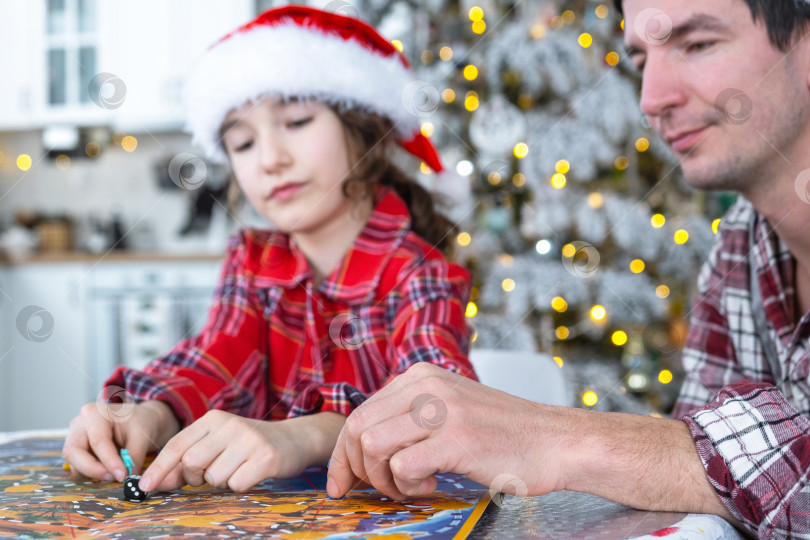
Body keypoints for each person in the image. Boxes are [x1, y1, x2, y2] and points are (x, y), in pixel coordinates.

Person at [326, 0, 810, 536]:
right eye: (640, 59)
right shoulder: (742, 245)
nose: (652, 99)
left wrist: (555, 437)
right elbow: (713, 488)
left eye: (697, 45)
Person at [62, 5, 476, 495]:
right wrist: (152, 411)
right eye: (242, 143)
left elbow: (441, 408)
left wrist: (307, 435)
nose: (270, 160)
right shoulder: (252, 263)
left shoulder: (420, 272)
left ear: (363, 129)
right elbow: (216, 358)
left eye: (297, 121)